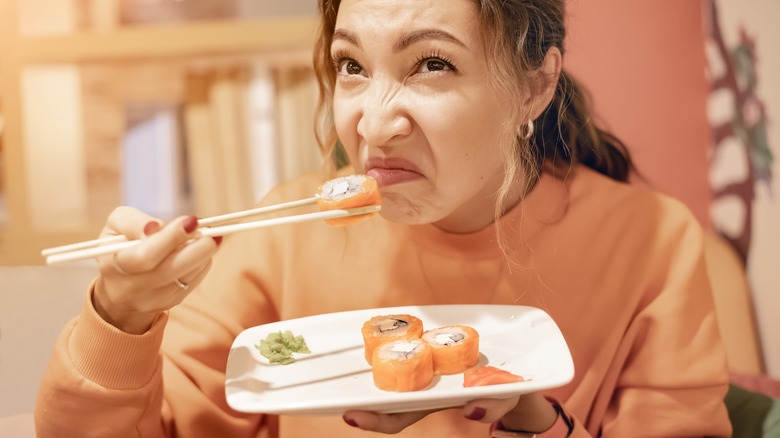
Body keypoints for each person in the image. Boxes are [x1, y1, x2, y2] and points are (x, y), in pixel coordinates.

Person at [34, 0, 733, 437]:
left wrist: (531, 422)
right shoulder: (283, 241)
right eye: (351, 66)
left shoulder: (652, 243)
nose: (370, 123)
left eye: (431, 64)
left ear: (534, 86)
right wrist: (119, 317)